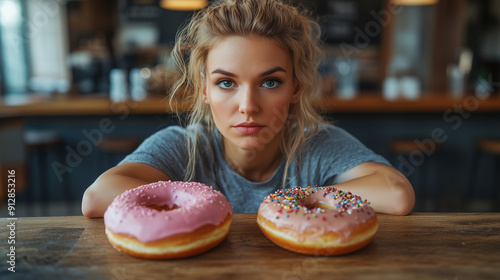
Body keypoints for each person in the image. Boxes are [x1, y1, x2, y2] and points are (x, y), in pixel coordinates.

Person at [82, 0, 415, 217]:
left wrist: (294, 200)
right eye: (226, 83)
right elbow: (96, 198)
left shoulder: (317, 144)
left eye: (270, 82)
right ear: (204, 91)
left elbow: (397, 194)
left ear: (296, 89)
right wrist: (199, 201)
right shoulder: (184, 145)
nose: (248, 107)